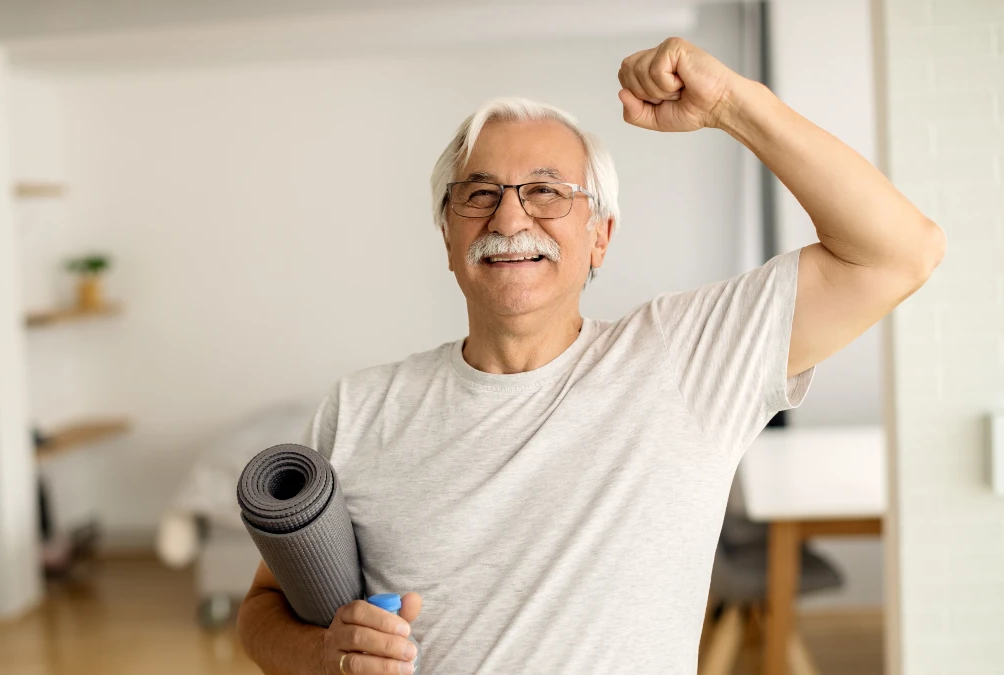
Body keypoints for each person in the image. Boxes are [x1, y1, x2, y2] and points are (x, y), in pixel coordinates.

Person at [236, 37, 944, 675]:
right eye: (479, 194)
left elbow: (901, 251)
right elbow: (262, 610)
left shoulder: (686, 360)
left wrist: (731, 103)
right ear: (448, 236)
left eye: (546, 192)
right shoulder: (360, 408)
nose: (510, 218)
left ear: (600, 236)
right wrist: (323, 653)